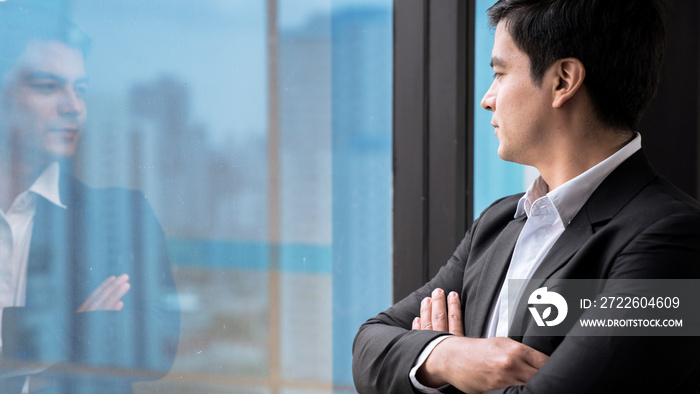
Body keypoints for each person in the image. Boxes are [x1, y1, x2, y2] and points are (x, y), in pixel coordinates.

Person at [352, 0, 700, 393]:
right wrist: (450, 356)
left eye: (500, 73)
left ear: (563, 81)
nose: (488, 98)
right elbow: (370, 345)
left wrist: (435, 369)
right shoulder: (498, 224)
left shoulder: (675, 242)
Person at [0, 5, 179, 393]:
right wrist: (75, 327)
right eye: (49, 87)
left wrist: (30, 335)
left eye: (80, 89)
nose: (73, 106)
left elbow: (157, 353)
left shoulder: (121, 217)